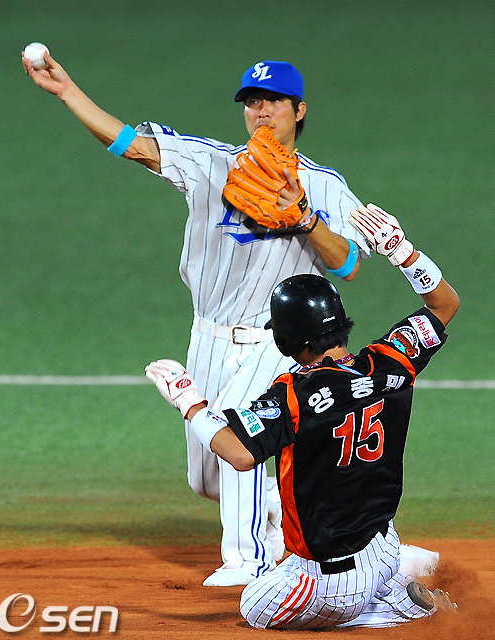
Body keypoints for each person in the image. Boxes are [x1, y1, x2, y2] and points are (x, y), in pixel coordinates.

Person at [23, 53, 376, 586]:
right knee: (207, 478)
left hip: (276, 343)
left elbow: (348, 264)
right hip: (208, 335)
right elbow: (130, 143)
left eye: (274, 101)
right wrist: (68, 92)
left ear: (299, 110)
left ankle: (248, 562)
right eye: (252, 102)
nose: (261, 111)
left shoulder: (326, 186)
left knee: (239, 435)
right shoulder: (211, 162)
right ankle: (301, 518)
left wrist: (305, 218)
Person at [145, 203, 460, 629]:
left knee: (254, 606)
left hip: (332, 581)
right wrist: (402, 251)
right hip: (382, 546)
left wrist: (191, 405)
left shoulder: (295, 394)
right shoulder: (391, 359)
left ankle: (394, 609)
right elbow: (445, 305)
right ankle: (392, 580)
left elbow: (239, 454)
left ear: (286, 341)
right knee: (330, 555)